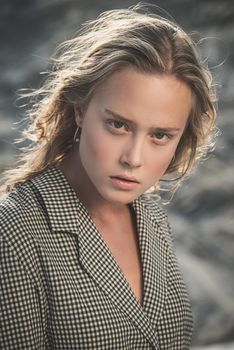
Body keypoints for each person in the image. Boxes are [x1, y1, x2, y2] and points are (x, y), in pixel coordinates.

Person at [0, 4, 216, 350]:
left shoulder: (149, 213)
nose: (133, 158)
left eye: (160, 135)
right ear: (80, 109)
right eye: (118, 124)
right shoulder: (16, 230)